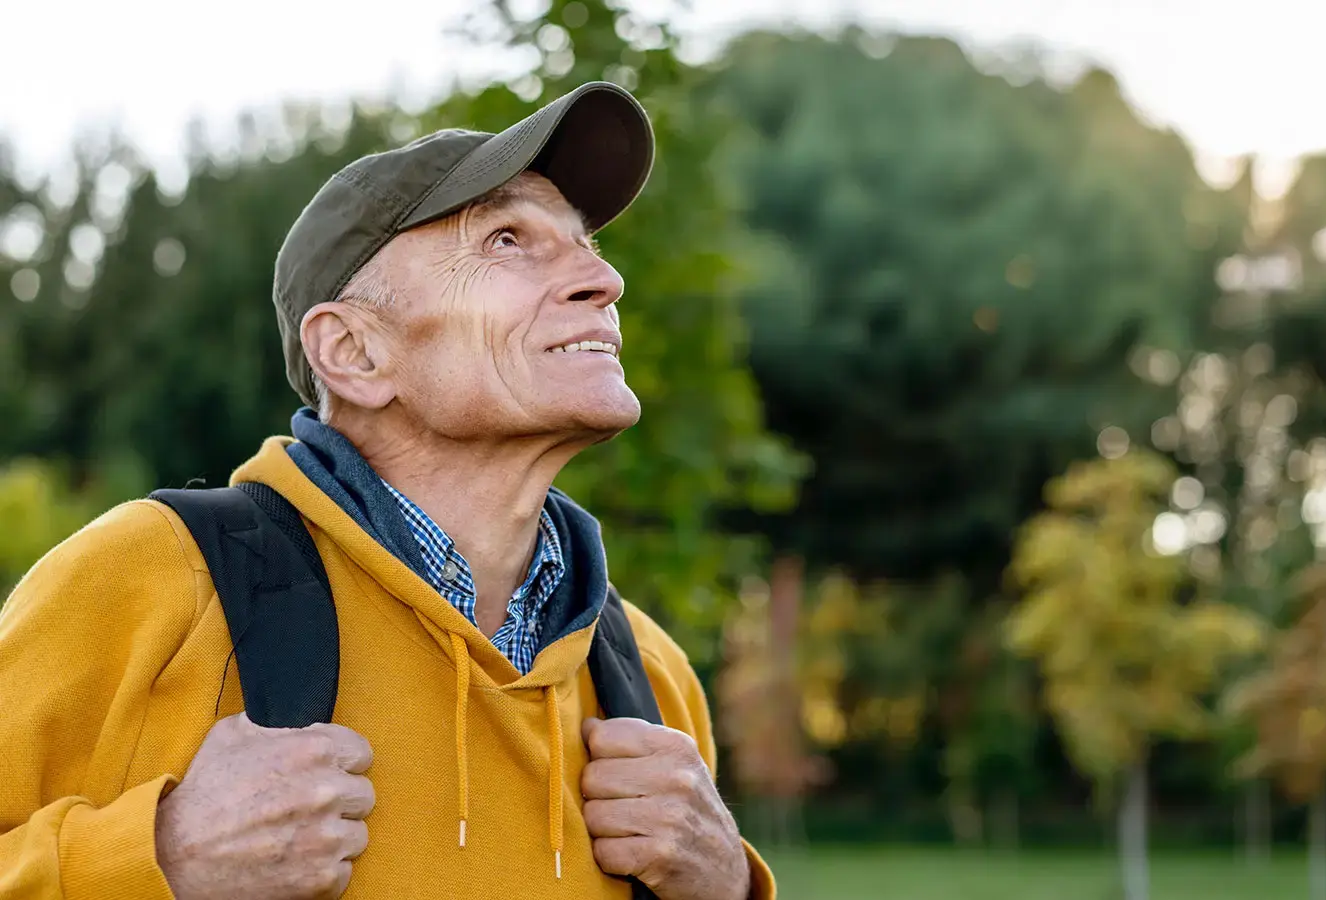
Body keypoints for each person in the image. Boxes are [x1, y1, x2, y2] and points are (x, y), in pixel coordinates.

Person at [0, 81, 774, 899]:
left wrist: (726, 885)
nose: (603, 278)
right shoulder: (147, 583)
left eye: (584, 244)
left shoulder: (648, 674)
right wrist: (157, 858)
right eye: (508, 240)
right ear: (355, 353)